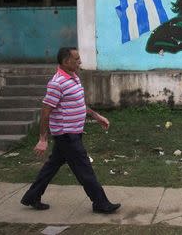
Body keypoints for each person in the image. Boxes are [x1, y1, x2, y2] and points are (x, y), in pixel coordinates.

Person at [21, 47, 121, 214]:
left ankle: (32, 196)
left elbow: (78, 104)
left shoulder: (73, 77)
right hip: (66, 135)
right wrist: (43, 139)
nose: (80, 61)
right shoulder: (57, 83)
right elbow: (46, 110)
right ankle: (100, 203)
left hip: (72, 133)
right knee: (84, 169)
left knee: (51, 166)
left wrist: (97, 116)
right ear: (66, 62)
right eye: (77, 59)